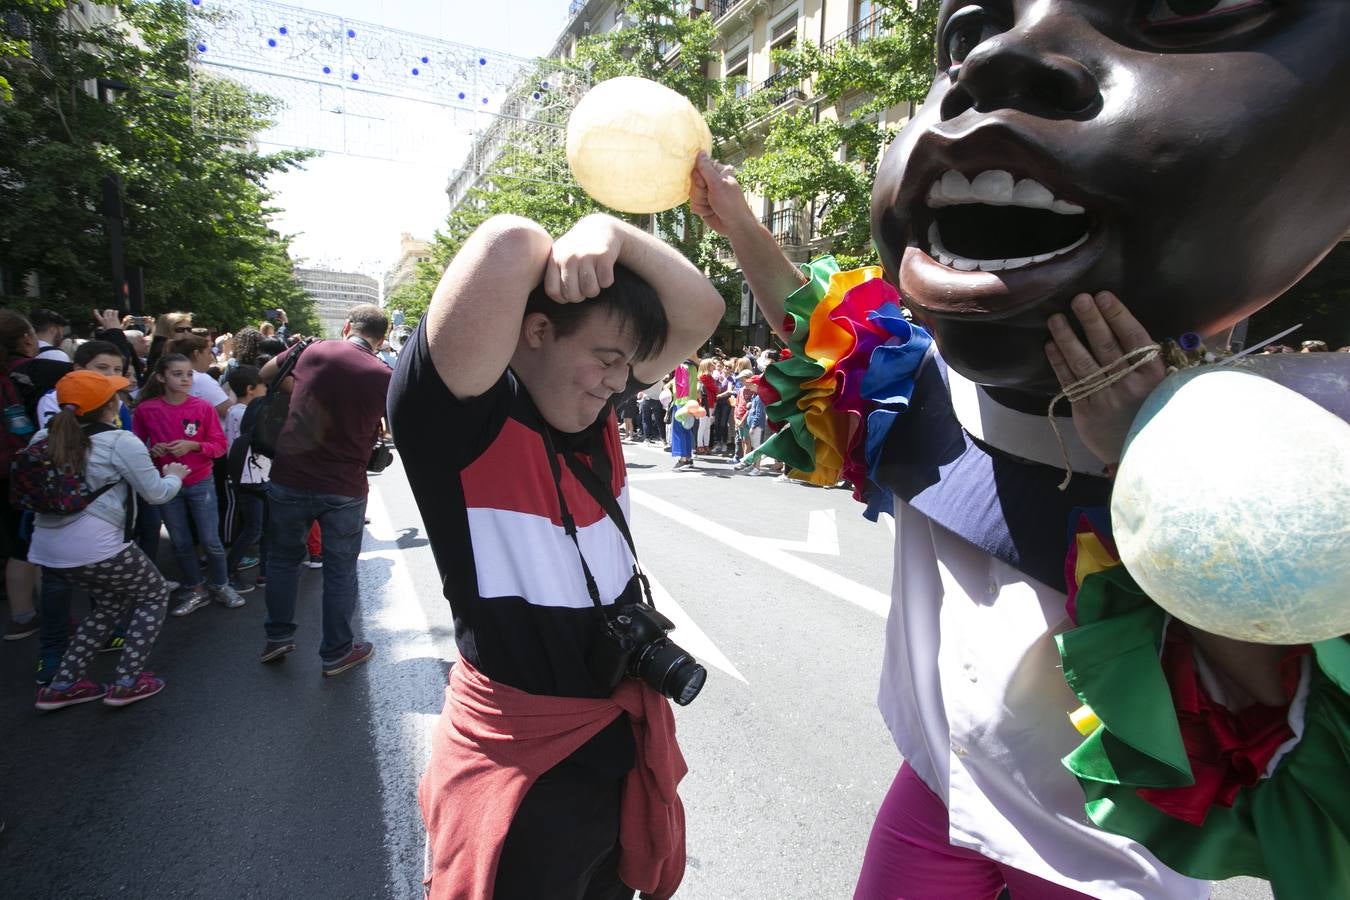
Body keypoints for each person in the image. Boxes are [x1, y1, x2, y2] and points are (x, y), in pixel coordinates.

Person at [692, 1, 1350, 897]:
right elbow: (818, 325)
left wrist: (1148, 462)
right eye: (965, 39)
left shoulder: (1262, 444)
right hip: (939, 792)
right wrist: (734, 219)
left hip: (1104, 848)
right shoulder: (922, 384)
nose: (1000, 61)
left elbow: (1272, 696)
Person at [388, 212, 724, 899]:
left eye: (630, 366)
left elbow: (704, 309)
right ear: (537, 331)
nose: (619, 384)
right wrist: (568, 247)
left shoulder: (593, 408)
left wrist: (614, 232)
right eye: (607, 359)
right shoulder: (460, 424)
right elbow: (508, 245)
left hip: (613, 757)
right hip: (523, 772)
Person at [30, 371, 188, 709]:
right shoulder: (119, 441)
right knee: (154, 593)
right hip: (97, 545)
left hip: (47, 547)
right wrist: (174, 476)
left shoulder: (42, 437)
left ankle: (63, 684)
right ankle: (127, 681)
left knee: (111, 603)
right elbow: (156, 494)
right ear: (109, 406)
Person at [257, 304, 390, 676]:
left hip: (290, 475)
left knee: (283, 560)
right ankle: (337, 651)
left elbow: (267, 372)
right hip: (344, 486)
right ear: (381, 339)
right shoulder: (382, 373)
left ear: (347, 326)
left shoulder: (312, 350)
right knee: (340, 570)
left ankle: (277, 637)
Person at [132, 353, 241, 615]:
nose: (185, 379)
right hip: (166, 484)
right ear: (160, 377)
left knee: (211, 540)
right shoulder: (147, 410)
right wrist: (151, 451)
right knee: (180, 542)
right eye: (177, 374)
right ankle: (195, 588)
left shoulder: (202, 408)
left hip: (200, 481)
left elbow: (219, 446)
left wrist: (193, 445)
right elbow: (135, 447)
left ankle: (221, 583)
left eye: (189, 374)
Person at [223, 364, 268, 593]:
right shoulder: (246, 412)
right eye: (262, 385)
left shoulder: (233, 410)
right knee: (254, 528)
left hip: (249, 473)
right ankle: (229, 570)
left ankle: (265, 572)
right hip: (251, 476)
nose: (265, 389)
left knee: (262, 526)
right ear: (251, 389)